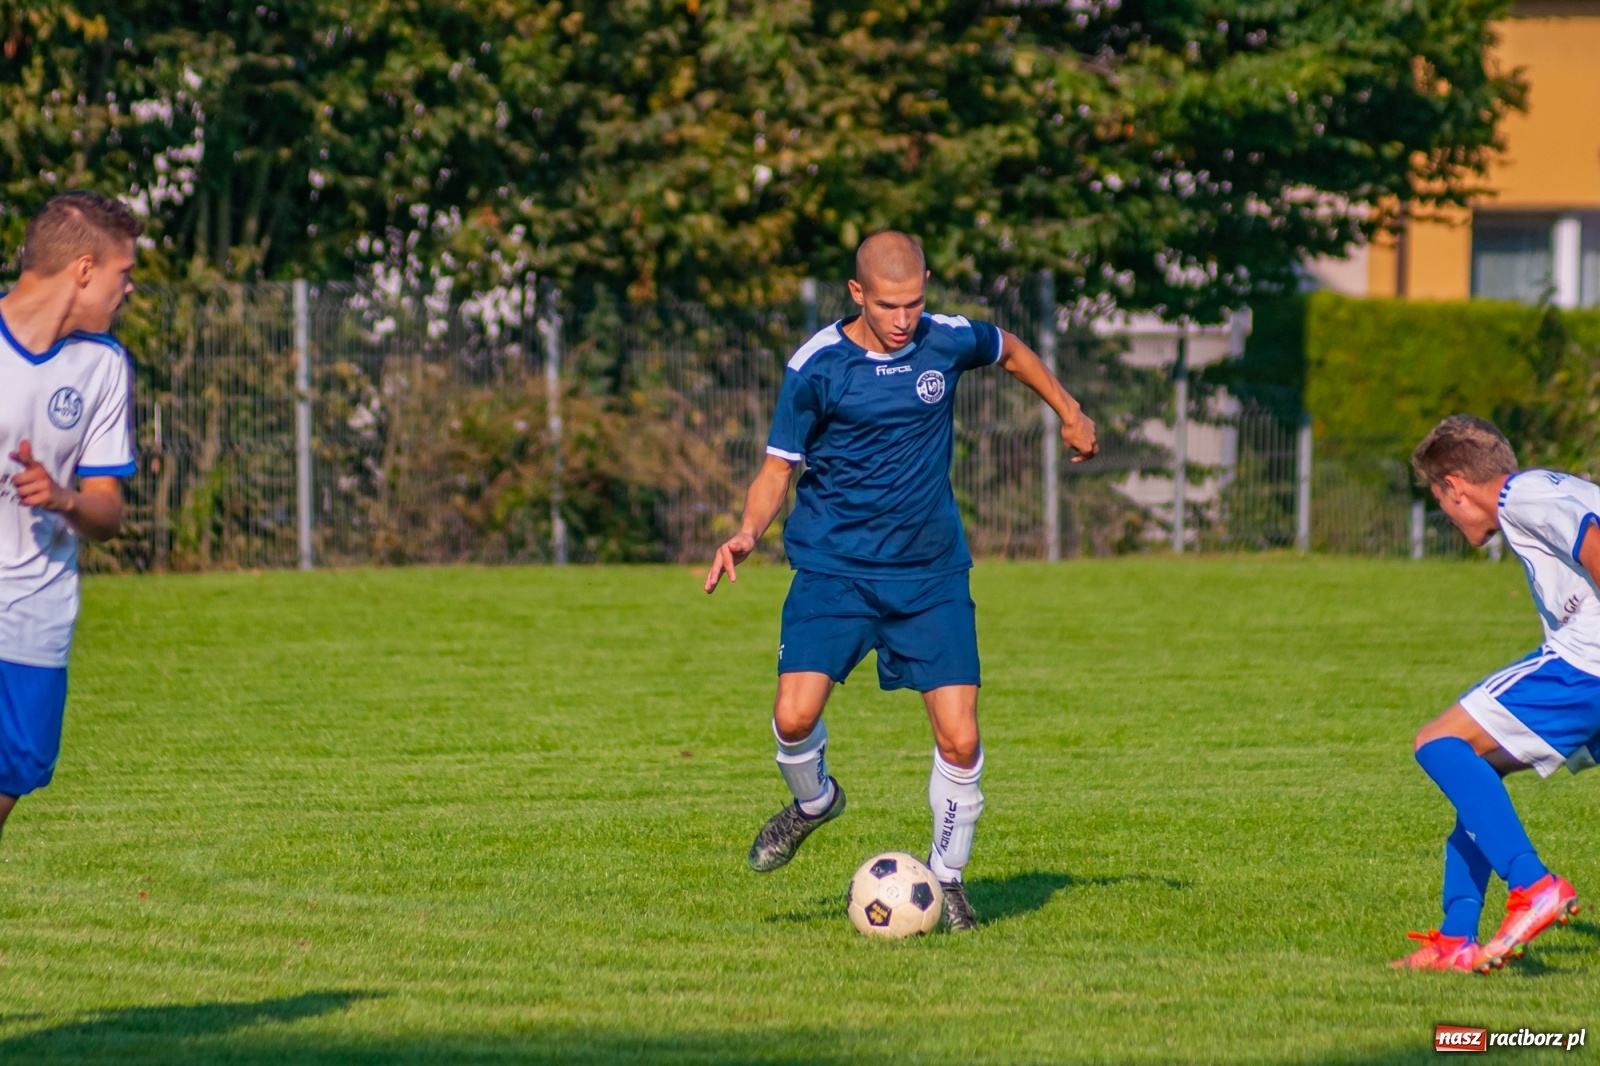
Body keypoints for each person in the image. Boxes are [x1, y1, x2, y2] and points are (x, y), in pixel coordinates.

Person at [703, 231, 1098, 931]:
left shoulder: (943, 341)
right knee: (793, 718)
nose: (903, 319)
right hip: (835, 570)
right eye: (889, 305)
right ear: (857, 294)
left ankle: (947, 883)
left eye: (914, 303)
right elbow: (776, 469)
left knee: (961, 738)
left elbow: (1009, 349)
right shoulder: (817, 366)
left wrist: (1068, 411)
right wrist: (746, 532)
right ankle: (816, 803)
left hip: (929, 573)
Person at [1395, 414, 1594, 973]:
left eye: (1441, 500)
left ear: (1455, 487)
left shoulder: (1521, 495)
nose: (1447, 513)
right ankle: (1456, 940)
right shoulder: (1551, 488)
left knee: (1436, 742)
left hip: (1586, 664)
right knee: (1478, 775)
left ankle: (1533, 885)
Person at [0, 191, 141, 839]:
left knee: (17, 776)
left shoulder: (104, 367)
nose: (129, 289)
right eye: (124, 273)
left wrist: (62, 497)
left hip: (38, 614)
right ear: (84, 269)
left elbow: (108, 510)